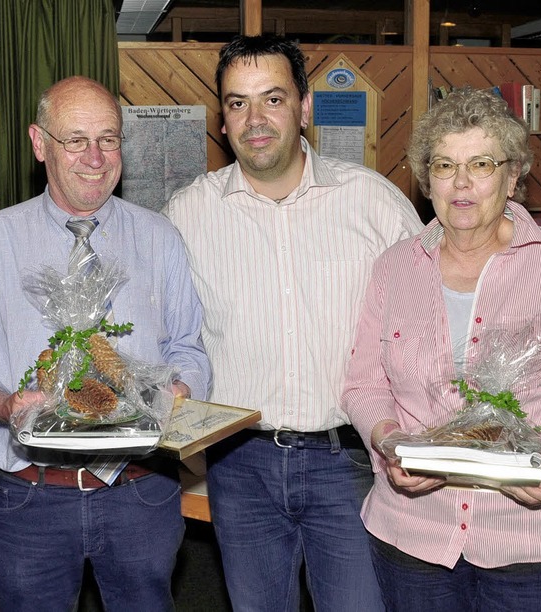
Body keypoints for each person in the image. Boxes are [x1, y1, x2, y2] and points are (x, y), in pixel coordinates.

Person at [163, 35, 423, 611]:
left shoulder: (374, 205)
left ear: (304, 108)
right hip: (240, 465)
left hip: (351, 459)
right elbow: (133, 293)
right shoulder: (187, 215)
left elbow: (431, 319)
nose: (255, 119)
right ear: (222, 119)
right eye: (237, 103)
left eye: (273, 98)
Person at [0, 76, 211, 612]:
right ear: (40, 143)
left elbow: (189, 346)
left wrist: (180, 388)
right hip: (30, 494)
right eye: (76, 139)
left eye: (108, 138)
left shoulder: (160, 238)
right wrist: (3, 404)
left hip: (141, 490)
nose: (95, 156)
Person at [341, 86, 541, 611]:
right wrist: (390, 444)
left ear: (512, 175)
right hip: (414, 538)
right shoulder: (394, 268)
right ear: (426, 178)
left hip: (533, 540)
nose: (463, 183)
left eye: (481, 163)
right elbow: (364, 385)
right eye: (445, 165)